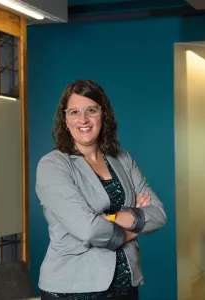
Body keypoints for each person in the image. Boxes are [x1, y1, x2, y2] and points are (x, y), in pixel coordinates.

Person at [36, 79, 167, 300]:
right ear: (65, 120)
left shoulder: (123, 159)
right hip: (74, 290)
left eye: (91, 110)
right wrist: (131, 228)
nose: (83, 119)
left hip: (126, 287)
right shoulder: (53, 165)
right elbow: (88, 229)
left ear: (103, 115)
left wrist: (109, 216)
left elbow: (159, 214)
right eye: (74, 112)